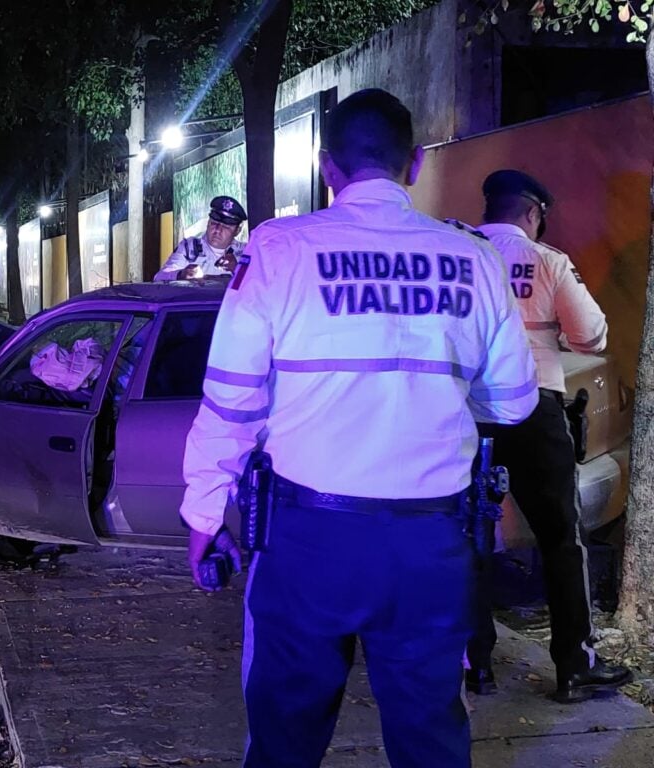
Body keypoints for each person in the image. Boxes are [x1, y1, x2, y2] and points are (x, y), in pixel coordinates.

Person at [180, 89, 539, 767]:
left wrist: (204, 513)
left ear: (326, 166)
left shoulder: (280, 250)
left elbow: (231, 403)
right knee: (432, 740)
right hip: (431, 547)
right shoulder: (474, 259)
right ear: (415, 163)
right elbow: (515, 403)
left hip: (307, 542)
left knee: (284, 738)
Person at [466, 169, 632, 703]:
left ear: (490, 207)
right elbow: (591, 334)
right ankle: (574, 665)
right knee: (562, 539)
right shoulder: (548, 260)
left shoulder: (459, 254)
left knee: (467, 539)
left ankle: (476, 663)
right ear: (533, 214)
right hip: (535, 407)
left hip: (466, 412)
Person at [153, 196, 247, 281]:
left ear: (237, 231)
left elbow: (256, 287)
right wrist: (180, 275)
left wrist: (237, 269)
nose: (218, 230)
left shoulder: (246, 252)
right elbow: (159, 278)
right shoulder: (189, 247)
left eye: (225, 227)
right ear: (208, 223)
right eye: (214, 223)